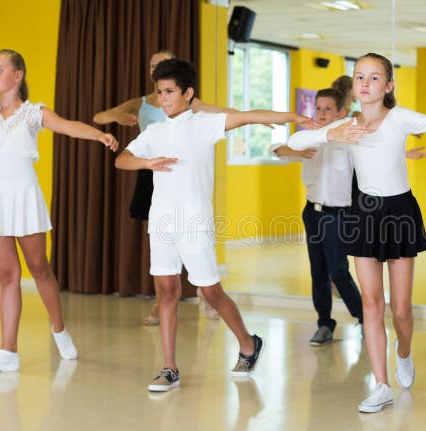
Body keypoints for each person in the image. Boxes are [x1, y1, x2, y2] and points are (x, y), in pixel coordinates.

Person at [287, 52, 426, 413]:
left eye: (374, 78)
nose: (366, 83)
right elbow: (295, 143)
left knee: (401, 309)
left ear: (388, 86)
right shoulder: (347, 126)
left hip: (399, 212)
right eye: (359, 77)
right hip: (363, 214)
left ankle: (404, 351)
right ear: (353, 87)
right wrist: (329, 131)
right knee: (373, 305)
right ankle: (381, 384)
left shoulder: (399, 118)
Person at [115, 58, 316, 391]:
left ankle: (249, 344)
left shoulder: (205, 124)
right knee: (166, 292)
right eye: (159, 92)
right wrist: (147, 162)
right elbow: (121, 159)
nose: (162, 98)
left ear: (187, 93)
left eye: (169, 92)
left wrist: (292, 117)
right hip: (162, 222)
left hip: (194, 221)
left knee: (210, 291)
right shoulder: (154, 132)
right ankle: (169, 367)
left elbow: (249, 116)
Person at [0, 49, 118, 373]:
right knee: (7, 275)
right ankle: (7, 352)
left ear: (17, 76)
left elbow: (68, 126)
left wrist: (99, 135)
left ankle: (60, 330)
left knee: (39, 268)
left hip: (24, 198)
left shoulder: (33, 113)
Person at [271, 89, 426, 346]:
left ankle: (363, 318)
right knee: (318, 272)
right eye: (318, 108)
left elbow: (376, 152)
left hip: (340, 214)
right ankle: (324, 324)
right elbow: (275, 148)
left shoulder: (349, 140)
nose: (322, 113)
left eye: (327, 109)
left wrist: (407, 153)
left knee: (338, 271)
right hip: (312, 213)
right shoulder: (308, 138)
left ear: (340, 113)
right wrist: (294, 151)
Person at [93, 50, 221, 324]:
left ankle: (204, 290)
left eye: (162, 64)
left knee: (191, 234)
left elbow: (223, 115)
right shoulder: (142, 102)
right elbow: (99, 117)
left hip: (181, 171)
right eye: (153, 65)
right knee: (161, 241)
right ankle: (159, 302)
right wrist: (117, 117)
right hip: (150, 169)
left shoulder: (187, 100)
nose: (157, 68)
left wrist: (258, 117)